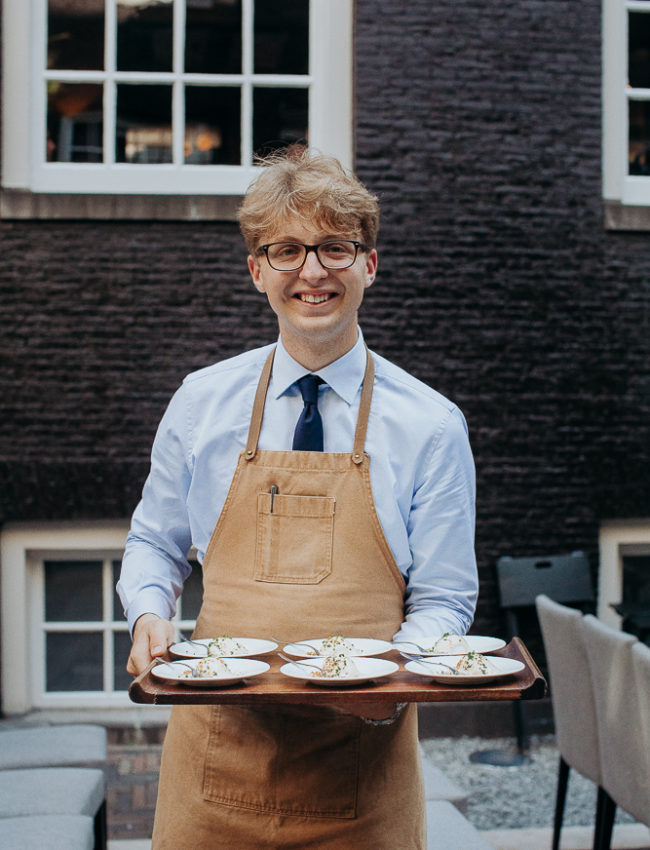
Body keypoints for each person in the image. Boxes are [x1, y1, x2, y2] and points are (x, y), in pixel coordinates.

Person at [118, 146, 478, 849]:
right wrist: (148, 615)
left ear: (369, 265)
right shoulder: (201, 404)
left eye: (334, 248)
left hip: (365, 778)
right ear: (257, 272)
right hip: (213, 779)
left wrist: (383, 689)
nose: (312, 272)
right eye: (286, 250)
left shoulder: (431, 424)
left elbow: (444, 598)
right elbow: (154, 544)